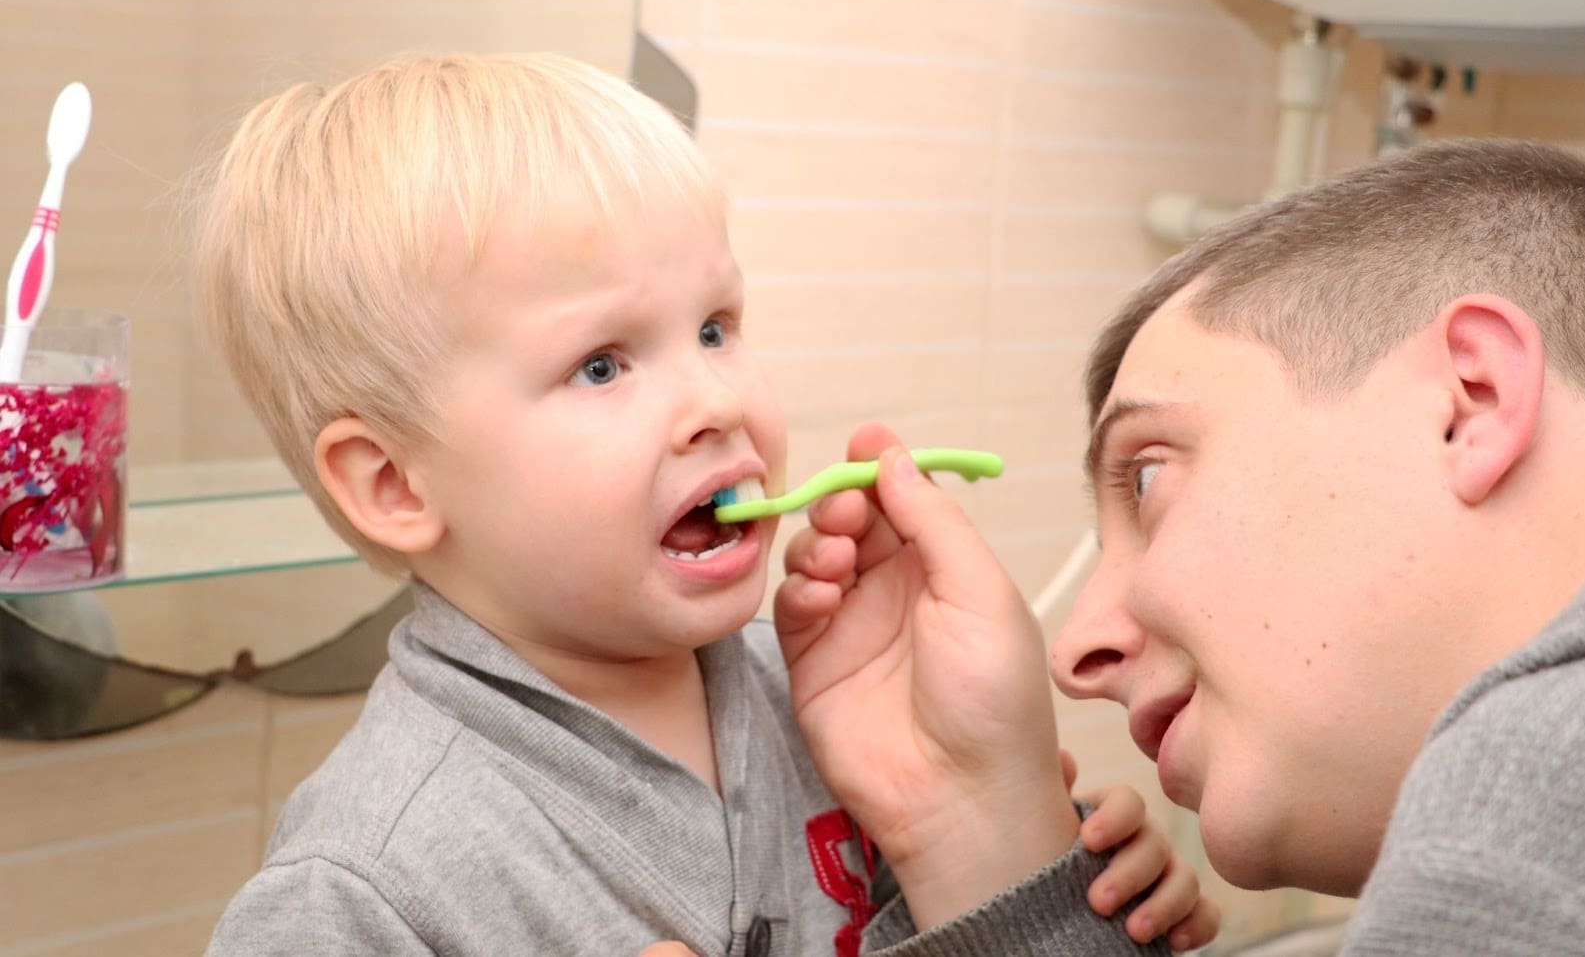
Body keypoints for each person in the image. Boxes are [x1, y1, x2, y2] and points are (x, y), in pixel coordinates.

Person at [192, 52, 1217, 955]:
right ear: (394, 484)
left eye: (717, 328)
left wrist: (1026, 880)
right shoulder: (362, 887)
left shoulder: (845, 710)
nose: (717, 402)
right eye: (600, 365)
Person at [777, 139, 1585, 954]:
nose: (1072, 654)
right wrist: (972, 816)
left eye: (1145, 479)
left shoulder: (1538, 785)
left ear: (1472, 400)